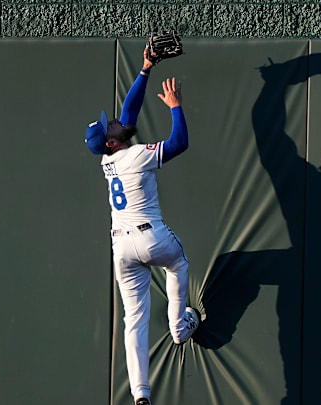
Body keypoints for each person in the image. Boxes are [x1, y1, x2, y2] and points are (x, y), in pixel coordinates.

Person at [84, 47, 200, 405]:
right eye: (111, 127)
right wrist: (176, 106)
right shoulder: (135, 155)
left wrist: (146, 67)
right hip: (152, 239)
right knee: (178, 263)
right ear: (112, 141)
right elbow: (180, 142)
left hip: (122, 248)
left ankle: (140, 395)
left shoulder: (109, 160)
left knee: (134, 321)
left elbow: (128, 113)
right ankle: (180, 328)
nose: (115, 122)